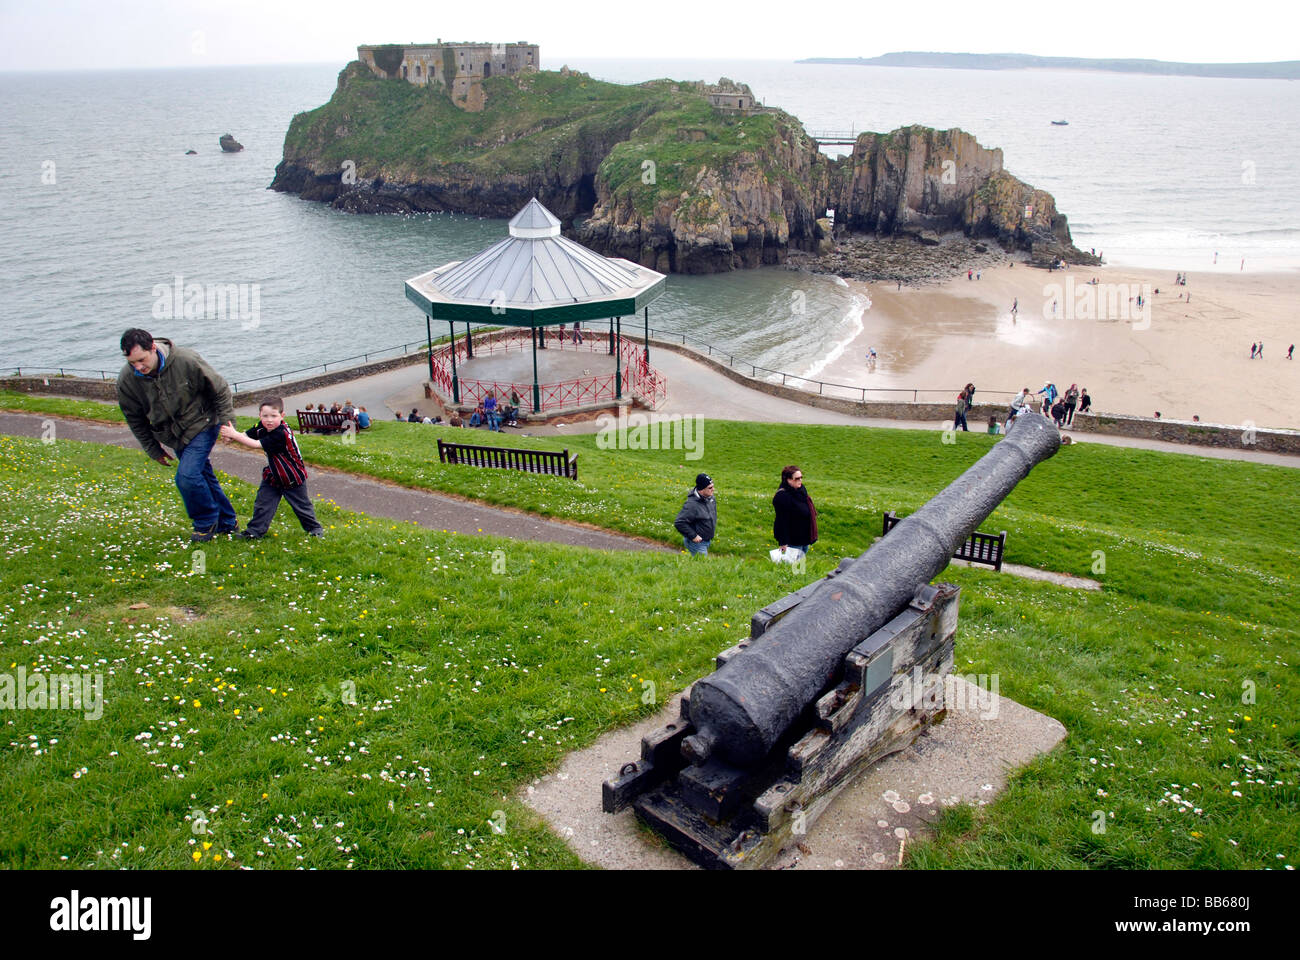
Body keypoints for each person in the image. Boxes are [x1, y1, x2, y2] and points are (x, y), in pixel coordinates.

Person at [116, 328, 238, 542]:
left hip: (202, 423)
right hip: (172, 435)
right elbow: (135, 418)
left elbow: (219, 389)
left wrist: (228, 424)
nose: (138, 367)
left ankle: (205, 522)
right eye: (132, 363)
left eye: (141, 360)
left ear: (153, 347)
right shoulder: (127, 380)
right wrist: (153, 449)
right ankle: (228, 523)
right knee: (202, 476)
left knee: (187, 476)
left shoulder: (185, 360)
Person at [219, 397, 324, 539]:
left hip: (291, 476)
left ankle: (315, 528)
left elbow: (256, 444)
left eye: (274, 416)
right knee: (263, 504)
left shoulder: (281, 433)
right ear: (259, 416)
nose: (269, 420)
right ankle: (254, 532)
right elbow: (246, 436)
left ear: (282, 416)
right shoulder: (261, 426)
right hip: (274, 474)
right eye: (265, 416)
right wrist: (231, 436)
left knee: (301, 507)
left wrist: (235, 435)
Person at [772, 465, 817, 556]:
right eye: (797, 478)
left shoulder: (801, 490)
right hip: (793, 541)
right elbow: (781, 521)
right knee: (793, 568)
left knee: (800, 567)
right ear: (788, 480)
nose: (800, 480)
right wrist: (783, 542)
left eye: (801, 477)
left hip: (804, 538)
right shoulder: (782, 496)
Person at [674, 473, 716, 556]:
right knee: (703, 566)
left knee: (698, 565)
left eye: (713, 486)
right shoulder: (692, 505)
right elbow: (679, 522)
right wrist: (693, 536)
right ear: (701, 489)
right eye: (710, 488)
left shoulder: (711, 498)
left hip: (707, 540)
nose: (713, 489)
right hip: (697, 543)